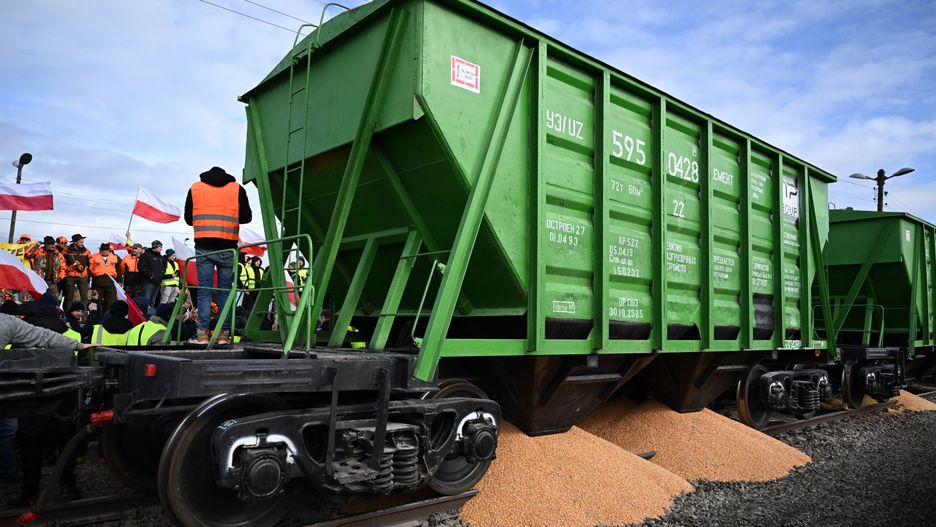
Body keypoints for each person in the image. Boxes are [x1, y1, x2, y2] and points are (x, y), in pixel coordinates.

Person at [1, 312, 93, 506]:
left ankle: (29, 494)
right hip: (59, 395)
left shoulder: (12, 324)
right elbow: (43, 336)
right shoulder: (7, 323)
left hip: (28, 399)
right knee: (65, 442)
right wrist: (79, 345)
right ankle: (68, 487)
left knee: (30, 445)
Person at [184, 166, 252, 344]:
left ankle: (201, 335)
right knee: (225, 292)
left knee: (204, 291)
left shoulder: (195, 188)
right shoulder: (237, 189)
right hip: (228, 246)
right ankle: (223, 334)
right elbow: (246, 217)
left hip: (204, 246)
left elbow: (188, 219)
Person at [90, 243, 120, 311]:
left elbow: (119, 270)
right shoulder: (93, 257)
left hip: (111, 283)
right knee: (95, 302)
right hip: (97, 283)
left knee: (111, 303)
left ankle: (109, 318)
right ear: (100, 250)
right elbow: (90, 269)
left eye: (106, 250)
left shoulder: (115, 257)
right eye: (103, 250)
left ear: (109, 250)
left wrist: (119, 281)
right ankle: (95, 318)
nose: (104, 251)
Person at [63, 234, 92, 305]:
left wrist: (88, 274)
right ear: (75, 242)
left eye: (82, 242)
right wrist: (67, 270)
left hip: (82, 277)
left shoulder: (87, 251)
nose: (82, 243)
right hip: (70, 277)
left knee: (84, 297)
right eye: (80, 242)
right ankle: (68, 314)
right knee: (69, 297)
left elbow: (91, 264)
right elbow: (62, 263)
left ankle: (83, 314)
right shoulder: (66, 251)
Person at [138, 240, 164, 309]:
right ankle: (143, 316)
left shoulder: (160, 257)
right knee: (145, 300)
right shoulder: (145, 255)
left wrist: (161, 274)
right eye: (160, 247)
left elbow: (164, 266)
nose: (161, 248)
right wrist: (150, 275)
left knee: (152, 301)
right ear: (155, 246)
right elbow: (141, 266)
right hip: (148, 282)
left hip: (157, 282)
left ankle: (150, 316)